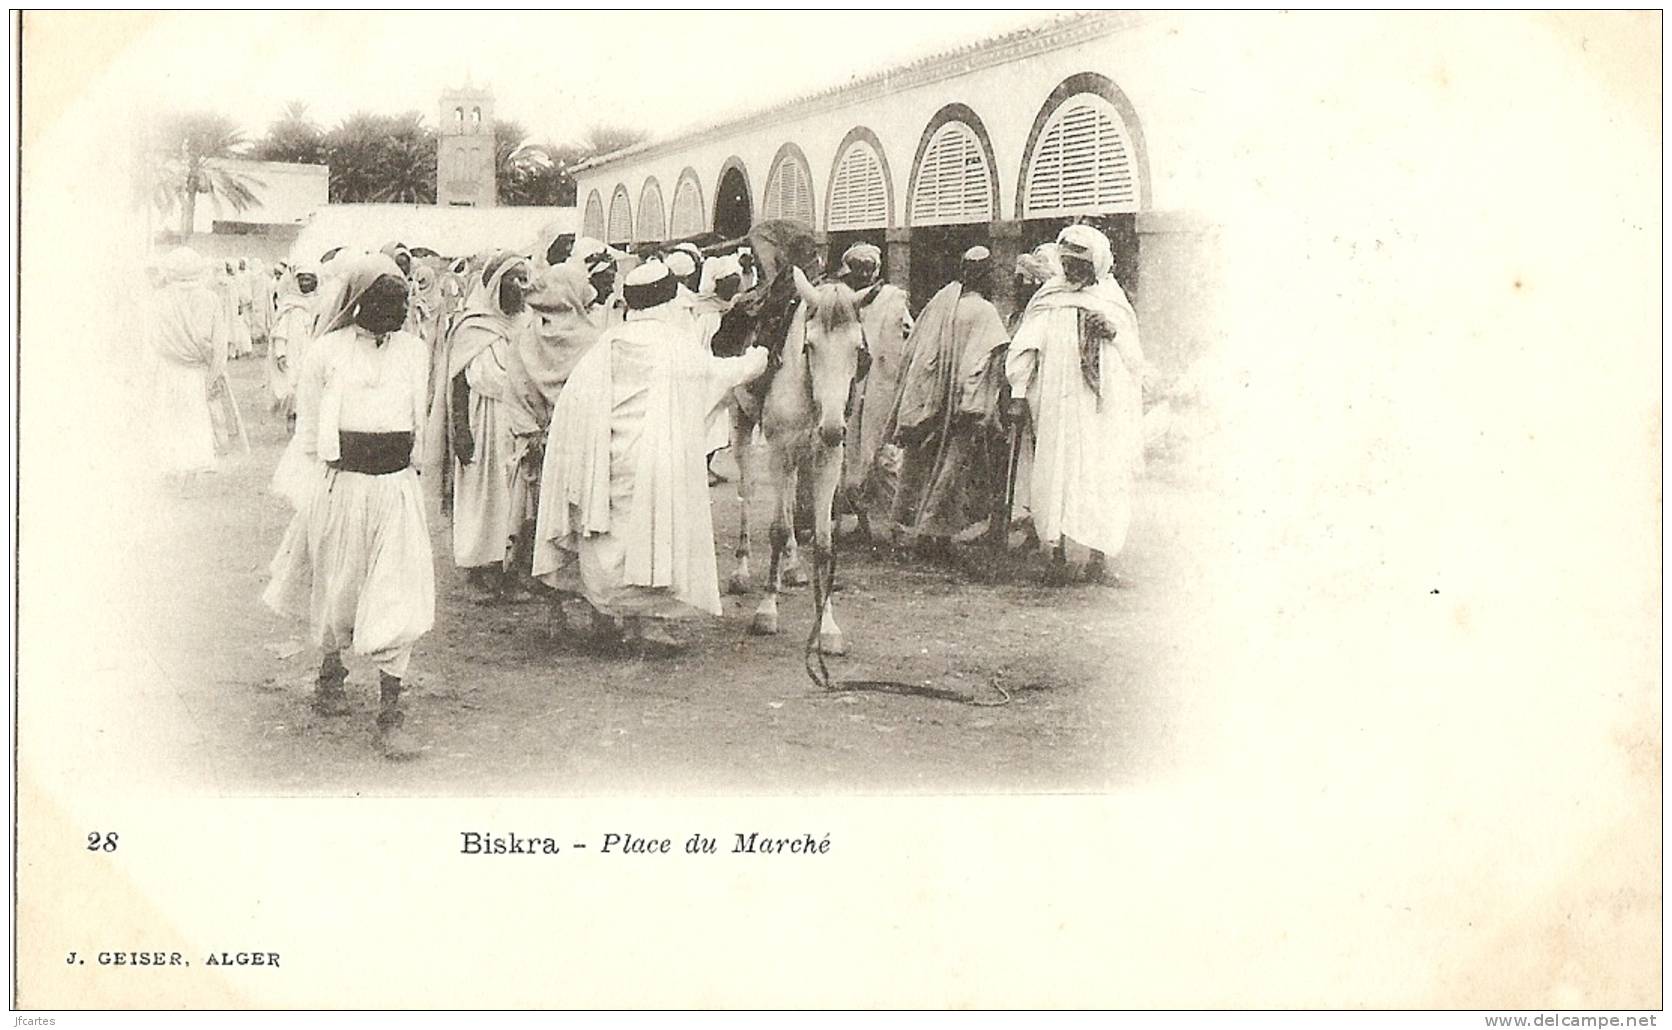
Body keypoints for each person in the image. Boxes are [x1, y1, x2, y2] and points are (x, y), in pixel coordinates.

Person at [532, 260, 768, 650]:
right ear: (668, 300)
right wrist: (755, 360)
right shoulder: (673, 345)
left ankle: (609, 614)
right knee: (648, 535)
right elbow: (716, 375)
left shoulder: (605, 344)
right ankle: (644, 625)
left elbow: (573, 408)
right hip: (652, 463)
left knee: (608, 535)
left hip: (605, 463)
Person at [261, 253, 433, 761]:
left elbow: (417, 421)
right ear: (358, 301)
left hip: (396, 489)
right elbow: (311, 434)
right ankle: (331, 669)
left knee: (397, 595)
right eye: (385, 299)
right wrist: (317, 495)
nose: (397, 309)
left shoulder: (416, 352)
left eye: (402, 299)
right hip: (343, 488)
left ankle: (391, 714)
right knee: (339, 592)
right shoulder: (326, 353)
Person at [1004, 224, 1146, 584]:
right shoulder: (1050, 298)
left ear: (1097, 265)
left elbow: (1135, 358)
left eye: (1081, 267)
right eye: (1068, 265)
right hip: (1059, 404)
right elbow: (1025, 348)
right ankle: (1058, 557)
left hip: (1104, 406)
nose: (1073, 273)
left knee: (1103, 473)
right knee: (1059, 474)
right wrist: (1019, 394)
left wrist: (1112, 331)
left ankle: (1099, 559)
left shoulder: (1113, 301)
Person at [881, 245, 1010, 553]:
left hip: (931, 400)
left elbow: (916, 351)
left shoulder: (941, 304)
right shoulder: (985, 312)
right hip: (961, 404)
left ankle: (912, 528)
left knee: (922, 466)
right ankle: (933, 536)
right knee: (951, 470)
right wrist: (973, 404)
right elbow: (979, 363)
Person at [441, 251, 537, 599]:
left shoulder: (527, 324)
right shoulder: (473, 326)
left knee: (512, 498)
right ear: (496, 285)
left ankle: (509, 571)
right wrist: (460, 430)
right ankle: (478, 572)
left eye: (525, 278)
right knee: (483, 497)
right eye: (514, 279)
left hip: (517, 423)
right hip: (483, 422)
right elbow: (457, 382)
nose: (522, 287)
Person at [503, 264, 604, 585]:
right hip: (578, 447)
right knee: (580, 524)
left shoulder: (525, 336)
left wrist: (532, 433)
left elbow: (515, 391)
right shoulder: (593, 339)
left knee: (542, 523)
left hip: (537, 444)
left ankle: (553, 609)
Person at [834, 243, 913, 535]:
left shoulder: (894, 301)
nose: (864, 274)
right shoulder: (845, 301)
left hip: (883, 386)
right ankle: (864, 525)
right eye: (858, 269)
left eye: (869, 268)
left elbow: (907, 338)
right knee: (852, 458)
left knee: (886, 457)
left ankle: (896, 527)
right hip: (854, 387)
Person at [147, 246, 240, 476]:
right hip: (199, 371)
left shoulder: (159, 299)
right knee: (196, 416)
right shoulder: (210, 299)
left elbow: (152, 340)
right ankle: (196, 461)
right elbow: (220, 343)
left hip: (168, 369)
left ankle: (170, 463)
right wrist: (215, 372)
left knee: (169, 416)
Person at [266, 261, 322, 431]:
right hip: (293, 352)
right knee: (292, 385)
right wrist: (281, 354)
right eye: (302, 280)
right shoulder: (289, 304)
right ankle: (292, 416)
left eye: (310, 280)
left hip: (313, 351)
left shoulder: (321, 303)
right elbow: (280, 332)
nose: (306, 284)